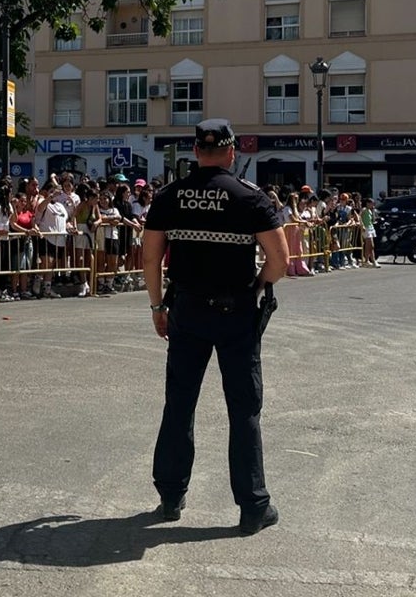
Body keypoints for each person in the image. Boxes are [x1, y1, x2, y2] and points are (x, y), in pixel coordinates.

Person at [143, 118, 288, 534]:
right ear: (231, 152)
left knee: (180, 403)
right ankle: (252, 506)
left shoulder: (169, 197)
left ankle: (171, 495)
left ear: (195, 152)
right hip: (237, 314)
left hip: (185, 312)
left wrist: (156, 306)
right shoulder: (250, 198)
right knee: (243, 409)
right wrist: (259, 285)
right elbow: (278, 262)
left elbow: (150, 259)